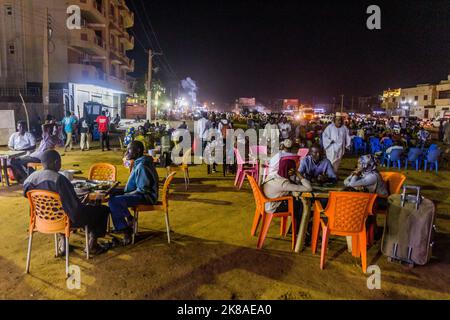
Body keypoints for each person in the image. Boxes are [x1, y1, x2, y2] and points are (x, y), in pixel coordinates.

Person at [23, 150, 110, 255]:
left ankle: (63, 244)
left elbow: (27, 195)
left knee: (57, 208)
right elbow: (75, 209)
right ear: (55, 162)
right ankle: (92, 245)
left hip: (42, 218)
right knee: (101, 210)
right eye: (59, 162)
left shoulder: (30, 179)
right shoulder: (59, 179)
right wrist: (84, 202)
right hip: (63, 220)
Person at [109, 141, 159, 245]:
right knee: (112, 194)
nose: (127, 152)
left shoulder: (142, 166)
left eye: (129, 150)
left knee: (114, 202)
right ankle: (127, 219)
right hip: (139, 192)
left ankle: (126, 230)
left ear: (138, 151)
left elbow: (142, 189)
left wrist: (126, 194)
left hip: (145, 196)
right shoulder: (138, 162)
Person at [263, 159, 312, 236]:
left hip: (267, 203)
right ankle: (299, 230)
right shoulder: (284, 184)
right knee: (300, 205)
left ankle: (295, 226)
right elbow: (309, 188)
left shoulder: (273, 174)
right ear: (289, 170)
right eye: (293, 169)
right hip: (274, 207)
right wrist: (297, 173)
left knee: (296, 203)